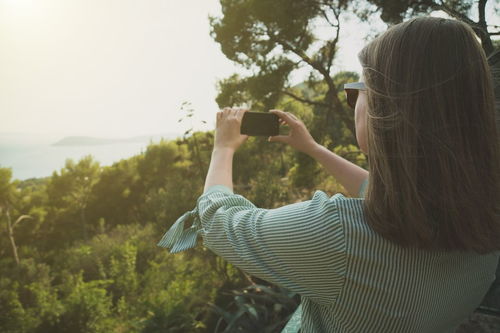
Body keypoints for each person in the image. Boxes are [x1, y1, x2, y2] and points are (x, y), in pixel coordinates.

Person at [158, 16, 500, 332]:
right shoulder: (483, 217)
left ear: (386, 110)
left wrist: (223, 148)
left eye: (356, 91)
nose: (353, 101)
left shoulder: (337, 234)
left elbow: (220, 223)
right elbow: (375, 187)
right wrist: (313, 148)